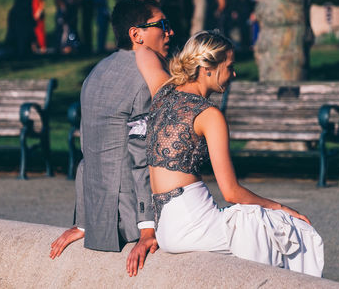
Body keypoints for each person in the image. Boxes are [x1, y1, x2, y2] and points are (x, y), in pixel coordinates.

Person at [135, 30, 324, 277]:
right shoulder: (209, 115)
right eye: (230, 66)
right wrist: (279, 207)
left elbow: (142, 50)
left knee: (259, 228)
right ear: (207, 68)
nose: (234, 74)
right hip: (194, 224)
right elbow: (231, 192)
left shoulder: (161, 91)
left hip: (167, 227)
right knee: (283, 227)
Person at [49, 0, 175, 278]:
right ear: (136, 34)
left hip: (98, 218)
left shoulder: (96, 72)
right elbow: (141, 156)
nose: (170, 32)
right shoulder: (145, 78)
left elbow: (88, 154)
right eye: (162, 24)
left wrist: (83, 222)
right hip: (128, 220)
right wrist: (147, 229)